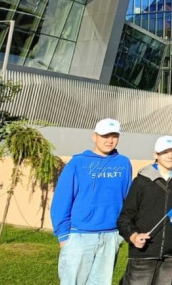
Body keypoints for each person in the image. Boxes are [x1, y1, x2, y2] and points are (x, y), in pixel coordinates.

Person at [51, 118, 132, 285]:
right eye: (105, 136)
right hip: (79, 236)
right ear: (94, 136)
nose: (110, 140)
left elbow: (128, 199)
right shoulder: (77, 163)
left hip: (110, 237)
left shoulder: (123, 163)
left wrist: (120, 234)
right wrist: (64, 236)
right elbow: (61, 200)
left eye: (114, 136)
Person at [117, 136, 172, 285]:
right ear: (155, 154)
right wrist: (133, 236)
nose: (170, 156)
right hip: (143, 255)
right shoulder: (141, 182)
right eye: (165, 152)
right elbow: (125, 217)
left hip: (170, 258)